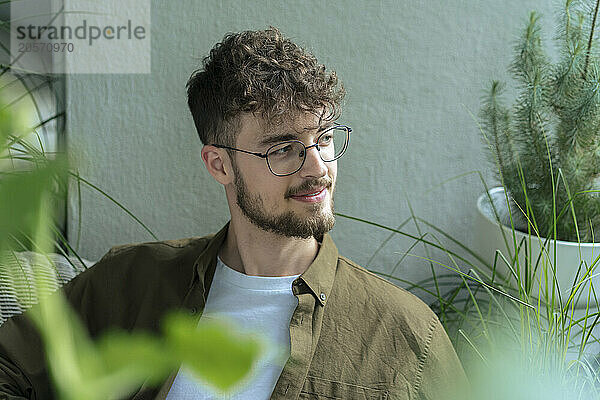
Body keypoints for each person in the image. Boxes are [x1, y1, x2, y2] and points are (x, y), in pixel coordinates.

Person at [0, 27, 467, 399]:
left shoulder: (405, 332)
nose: (318, 168)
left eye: (323, 138)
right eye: (283, 149)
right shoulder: (128, 281)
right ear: (220, 164)